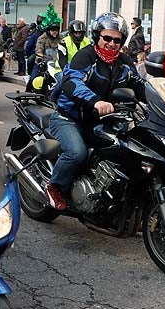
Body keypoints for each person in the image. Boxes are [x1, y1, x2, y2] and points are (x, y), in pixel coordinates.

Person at [44, 13, 146, 210]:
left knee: (128, 151)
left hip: (104, 120)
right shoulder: (86, 56)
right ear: (97, 36)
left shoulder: (124, 62)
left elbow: (140, 85)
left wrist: (158, 101)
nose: (111, 43)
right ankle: (54, 186)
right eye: (107, 38)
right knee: (77, 152)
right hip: (70, 117)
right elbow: (72, 82)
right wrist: (96, 101)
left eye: (117, 40)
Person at [27, 18, 62, 91]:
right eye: (53, 30)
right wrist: (40, 55)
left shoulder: (61, 38)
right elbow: (39, 48)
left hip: (56, 64)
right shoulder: (42, 38)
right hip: (43, 62)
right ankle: (27, 93)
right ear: (49, 31)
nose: (55, 32)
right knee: (33, 78)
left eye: (56, 30)